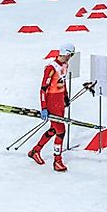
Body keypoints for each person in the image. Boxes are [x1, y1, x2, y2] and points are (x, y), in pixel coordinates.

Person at [29, 43, 75, 172]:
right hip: (51, 101)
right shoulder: (50, 67)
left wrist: (65, 96)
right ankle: (57, 161)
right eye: (70, 55)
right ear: (66, 53)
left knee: (54, 129)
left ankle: (35, 151)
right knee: (61, 131)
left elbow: (63, 82)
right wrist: (44, 107)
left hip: (60, 101)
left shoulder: (65, 65)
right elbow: (43, 89)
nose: (70, 57)